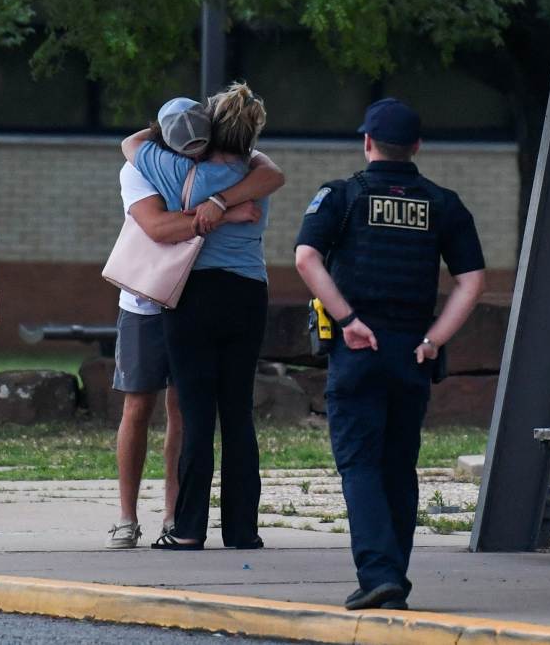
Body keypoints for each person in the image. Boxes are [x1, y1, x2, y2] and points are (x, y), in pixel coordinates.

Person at [294, 98, 485, 610]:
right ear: (418, 146)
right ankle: (392, 575)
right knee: (399, 465)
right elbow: (472, 281)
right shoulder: (443, 203)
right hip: (412, 354)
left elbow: (306, 257)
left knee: (359, 463)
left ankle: (379, 574)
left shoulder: (342, 195)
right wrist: (435, 339)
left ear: (367, 142)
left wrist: (348, 321)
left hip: (359, 350)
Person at [107, 100, 282, 549]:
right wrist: (226, 205)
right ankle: (242, 530)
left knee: (197, 413)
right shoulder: (252, 173)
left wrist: (212, 206)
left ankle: (187, 528)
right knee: (238, 413)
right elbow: (274, 173)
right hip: (248, 292)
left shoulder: (171, 168)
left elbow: (130, 144)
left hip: (194, 294)